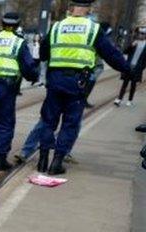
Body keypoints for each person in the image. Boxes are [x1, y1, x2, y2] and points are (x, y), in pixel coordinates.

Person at [37, 0, 129, 175]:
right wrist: (127, 69)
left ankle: (42, 159)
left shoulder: (57, 27)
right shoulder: (93, 29)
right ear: (89, 9)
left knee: (48, 120)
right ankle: (56, 162)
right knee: (70, 123)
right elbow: (110, 54)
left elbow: (43, 51)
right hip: (77, 82)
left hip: (55, 79)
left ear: (71, 8)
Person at [0, 12, 39, 170]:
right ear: (17, 25)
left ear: (2, 24)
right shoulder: (18, 43)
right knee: (5, 123)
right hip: (6, 87)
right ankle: (0, 159)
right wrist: (34, 77)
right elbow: (28, 67)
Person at [116, 29, 146, 106]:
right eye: (140, 33)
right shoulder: (134, 42)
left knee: (133, 84)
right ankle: (119, 99)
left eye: (143, 34)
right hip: (129, 66)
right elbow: (125, 51)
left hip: (137, 68)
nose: (141, 35)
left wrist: (141, 68)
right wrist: (131, 45)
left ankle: (130, 100)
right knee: (124, 83)